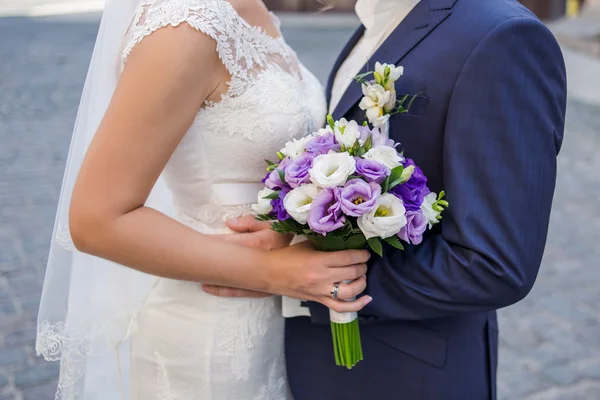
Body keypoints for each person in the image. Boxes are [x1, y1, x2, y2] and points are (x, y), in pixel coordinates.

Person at [212, 0, 567, 398]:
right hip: (313, 366)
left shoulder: (501, 36)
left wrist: (313, 278)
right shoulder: (375, 21)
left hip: (406, 376)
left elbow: (493, 264)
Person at [36, 0, 372, 398]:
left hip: (279, 323)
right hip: (208, 336)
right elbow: (97, 220)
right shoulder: (182, 25)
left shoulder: (253, 9)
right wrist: (274, 270)